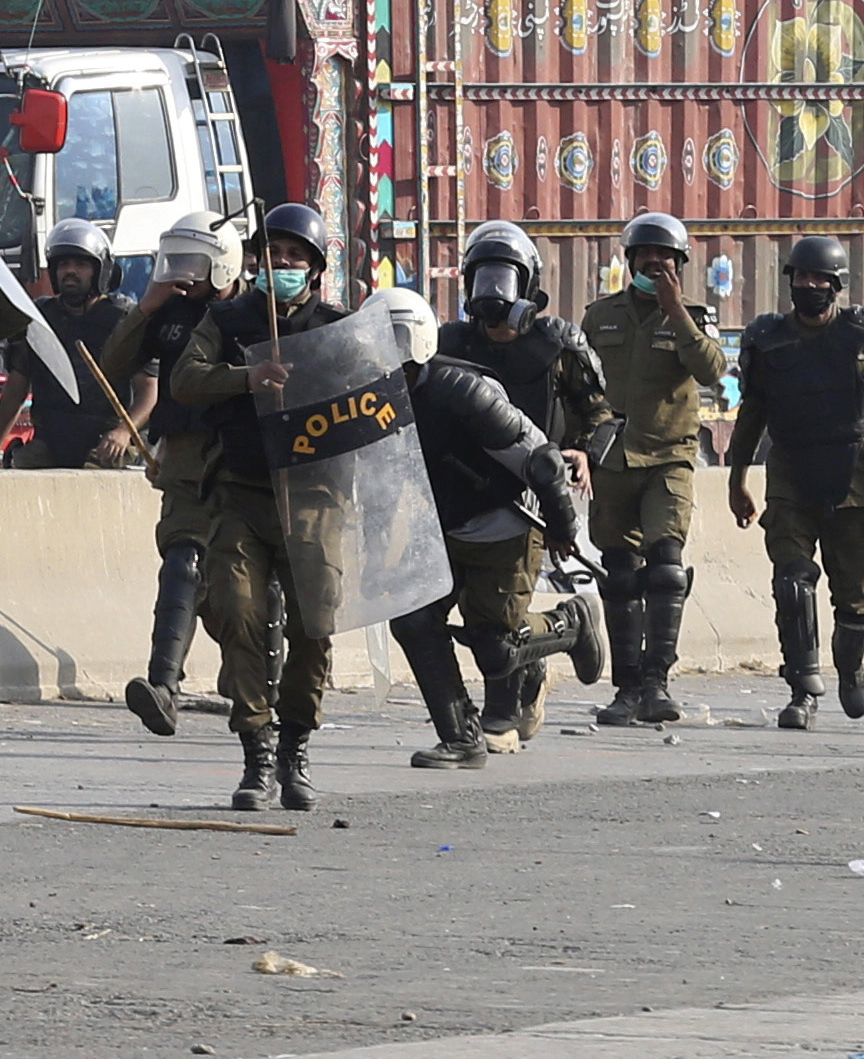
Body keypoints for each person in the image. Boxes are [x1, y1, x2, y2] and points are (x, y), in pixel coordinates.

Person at [169, 199, 362, 809]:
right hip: (241, 493)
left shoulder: (337, 326)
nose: (281, 263)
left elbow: (372, 402)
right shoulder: (227, 320)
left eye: (294, 256)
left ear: (314, 266)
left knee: (315, 624)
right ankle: (255, 750)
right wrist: (246, 378)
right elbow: (184, 380)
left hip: (313, 497)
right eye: (272, 253)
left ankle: (296, 748)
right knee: (239, 613)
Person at [380, 284, 581, 768]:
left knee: (494, 646)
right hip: (442, 528)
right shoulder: (370, 404)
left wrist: (562, 526)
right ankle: (461, 738)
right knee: (413, 621)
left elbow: (543, 462)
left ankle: (570, 623)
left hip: (505, 523)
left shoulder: (464, 392)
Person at [723, 235, 864, 729]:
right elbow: (751, 415)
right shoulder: (768, 340)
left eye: (819, 279)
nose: (809, 286)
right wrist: (737, 478)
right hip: (791, 475)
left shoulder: (863, 338)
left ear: (836, 285)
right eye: (801, 278)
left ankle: (850, 670)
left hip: (856, 479)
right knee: (792, 581)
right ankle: (803, 688)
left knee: (856, 595)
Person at [438, 218, 607, 713]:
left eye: (503, 277)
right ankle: (511, 685)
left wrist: (583, 450)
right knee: (435, 616)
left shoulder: (558, 343)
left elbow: (599, 411)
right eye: (483, 278)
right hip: (459, 492)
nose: (493, 292)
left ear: (527, 282)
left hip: (530, 493)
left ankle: (562, 632)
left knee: (496, 635)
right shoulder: (450, 343)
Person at [581, 210, 727, 725]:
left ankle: (657, 684)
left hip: (669, 457)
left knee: (665, 567)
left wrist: (676, 312)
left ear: (679, 265)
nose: (653, 264)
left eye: (664, 258)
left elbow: (712, 370)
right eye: (645, 257)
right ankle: (625, 690)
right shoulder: (599, 318)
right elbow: (577, 389)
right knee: (619, 576)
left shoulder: (693, 316)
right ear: (629, 261)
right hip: (613, 460)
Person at [104, 222, 240, 738]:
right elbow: (113, 364)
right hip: (184, 459)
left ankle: (253, 678)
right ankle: (164, 687)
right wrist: (145, 308)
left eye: (195, 263)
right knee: (182, 563)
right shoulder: (170, 314)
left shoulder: (252, 313)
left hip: (242, 462)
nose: (184, 274)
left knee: (240, 588)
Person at [10, 221, 139, 470]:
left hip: (107, 439)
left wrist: (124, 432)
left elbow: (149, 390)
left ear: (100, 271)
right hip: (51, 438)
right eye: (64, 264)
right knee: (24, 467)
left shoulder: (124, 319)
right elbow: (16, 386)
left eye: (81, 265)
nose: (71, 271)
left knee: (96, 479)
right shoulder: (39, 319)